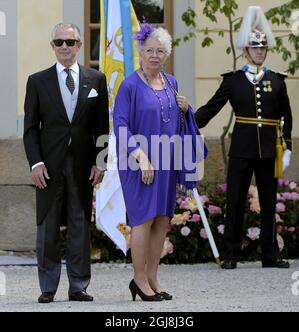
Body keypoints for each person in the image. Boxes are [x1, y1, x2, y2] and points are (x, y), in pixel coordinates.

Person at [195, 6, 293, 269]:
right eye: (254, 47)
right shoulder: (234, 80)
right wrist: (188, 121)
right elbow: (211, 107)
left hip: (270, 150)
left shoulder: (277, 80)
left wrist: (289, 147)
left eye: (262, 47)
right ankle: (231, 254)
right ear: (245, 51)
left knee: (270, 202)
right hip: (241, 149)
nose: (259, 51)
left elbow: (287, 115)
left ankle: (270, 255)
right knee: (235, 201)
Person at [114, 24, 202, 301]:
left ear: (167, 54)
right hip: (139, 163)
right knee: (143, 219)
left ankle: (152, 277)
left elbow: (177, 120)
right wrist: (140, 156)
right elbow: (120, 125)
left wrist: (187, 110)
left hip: (167, 160)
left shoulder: (172, 82)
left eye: (160, 50)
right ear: (141, 53)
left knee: (162, 220)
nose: (154, 55)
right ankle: (138, 280)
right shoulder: (129, 85)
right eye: (149, 50)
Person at [23, 23, 109, 303]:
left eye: (70, 42)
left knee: (79, 222)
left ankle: (78, 285)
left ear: (79, 46)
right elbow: (30, 128)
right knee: (47, 224)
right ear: (52, 46)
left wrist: (101, 162)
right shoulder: (37, 81)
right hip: (49, 164)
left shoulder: (96, 80)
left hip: (83, 164)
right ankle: (47, 286)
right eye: (59, 42)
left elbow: (102, 127)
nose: (64, 47)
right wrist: (35, 163)